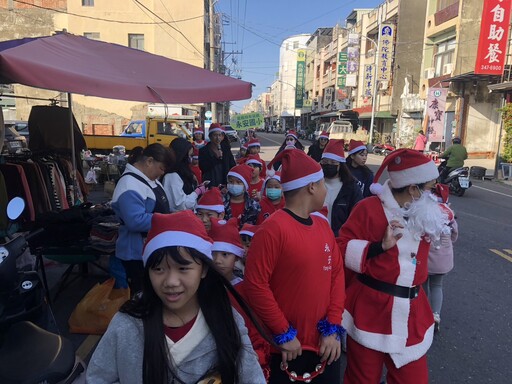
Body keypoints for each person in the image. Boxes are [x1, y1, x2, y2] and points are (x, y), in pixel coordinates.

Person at [86, 211, 266, 384]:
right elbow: (98, 378)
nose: (171, 282)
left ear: (203, 269)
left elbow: (251, 378)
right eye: (158, 269)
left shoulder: (227, 320)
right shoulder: (126, 324)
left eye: (183, 268)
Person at [337, 149, 448, 384]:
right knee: (362, 379)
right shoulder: (368, 209)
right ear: (413, 189)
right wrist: (378, 246)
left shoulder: (426, 212)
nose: (433, 194)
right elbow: (341, 248)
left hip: (413, 313)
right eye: (429, 188)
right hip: (371, 310)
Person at [244, 147, 345, 384]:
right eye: (322, 184)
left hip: (325, 346)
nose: (325, 190)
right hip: (288, 349)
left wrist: (333, 326)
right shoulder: (273, 229)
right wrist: (283, 331)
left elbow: (336, 275)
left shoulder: (322, 226)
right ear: (311, 187)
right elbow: (255, 285)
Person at [111, 144, 171, 294]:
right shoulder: (129, 184)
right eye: (161, 169)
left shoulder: (149, 179)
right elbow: (135, 220)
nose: (161, 174)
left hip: (151, 248)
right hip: (136, 253)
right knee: (141, 293)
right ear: (149, 161)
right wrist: (169, 220)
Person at [423, 183, 458, 333]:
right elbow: (455, 236)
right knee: (437, 286)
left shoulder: (425, 215)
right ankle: (435, 314)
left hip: (426, 260)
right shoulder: (449, 216)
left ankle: (422, 312)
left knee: (422, 285)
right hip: (443, 260)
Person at [320, 139, 363, 236]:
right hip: (317, 238)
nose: (328, 165)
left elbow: (358, 217)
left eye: (333, 162)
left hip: (340, 241)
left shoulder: (351, 188)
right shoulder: (313, 185)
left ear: (340, 165)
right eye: (325, 161)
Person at [162, 138, 208, 212]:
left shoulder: (184, 173)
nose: (191, 159)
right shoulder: (172, 176)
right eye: (189, 156)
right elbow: (181, 205)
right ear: (182, 156)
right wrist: (197, 192)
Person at [209, 217, 246, 286]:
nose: (217, 260)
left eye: (225, 254)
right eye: (212, 254)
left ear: (236, 257)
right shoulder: (199, 285)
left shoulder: (242, 288)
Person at [199, 123, 236, 187]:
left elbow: (232, 165)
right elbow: (203, 167)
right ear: (210, 137)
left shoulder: (226, 150)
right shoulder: (203, 151)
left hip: (225, 184)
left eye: (219, 135)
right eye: (215, 135)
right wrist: (216, 158)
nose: (218, 138)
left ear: (222, 137)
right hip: (211, 184)